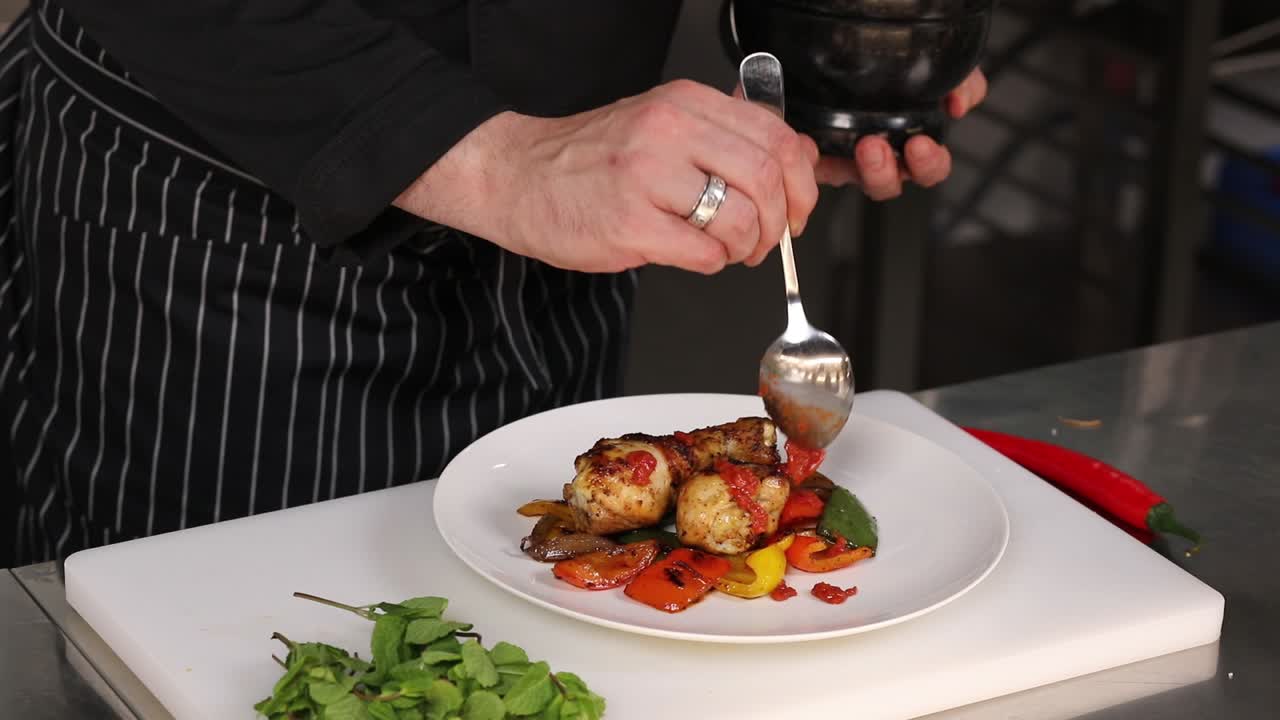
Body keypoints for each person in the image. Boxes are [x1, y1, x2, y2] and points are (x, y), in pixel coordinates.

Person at [0, 1, 987, 567]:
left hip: (585, 182)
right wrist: (487, 163)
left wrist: (815, 30)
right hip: (226, 214)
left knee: (552, 619)